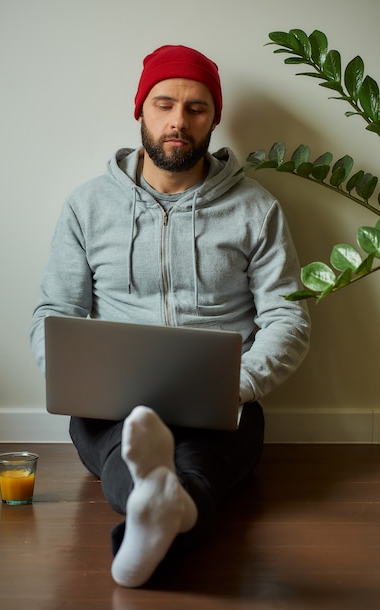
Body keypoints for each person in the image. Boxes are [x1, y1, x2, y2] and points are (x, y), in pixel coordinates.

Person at [30, 45, 311, 588]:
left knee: (197, 459)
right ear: (141, 111)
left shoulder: (257, 209)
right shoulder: (86, 207)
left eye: (196, 108)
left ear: (215, 119)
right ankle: (166, 508)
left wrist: (240, 384)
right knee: (127, 450)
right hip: (111, 408)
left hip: (226, 402)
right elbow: (54, 312)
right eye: (164, 104)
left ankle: (153, 514)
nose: (178, 121)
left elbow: (288, 320)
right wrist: (76, 382)